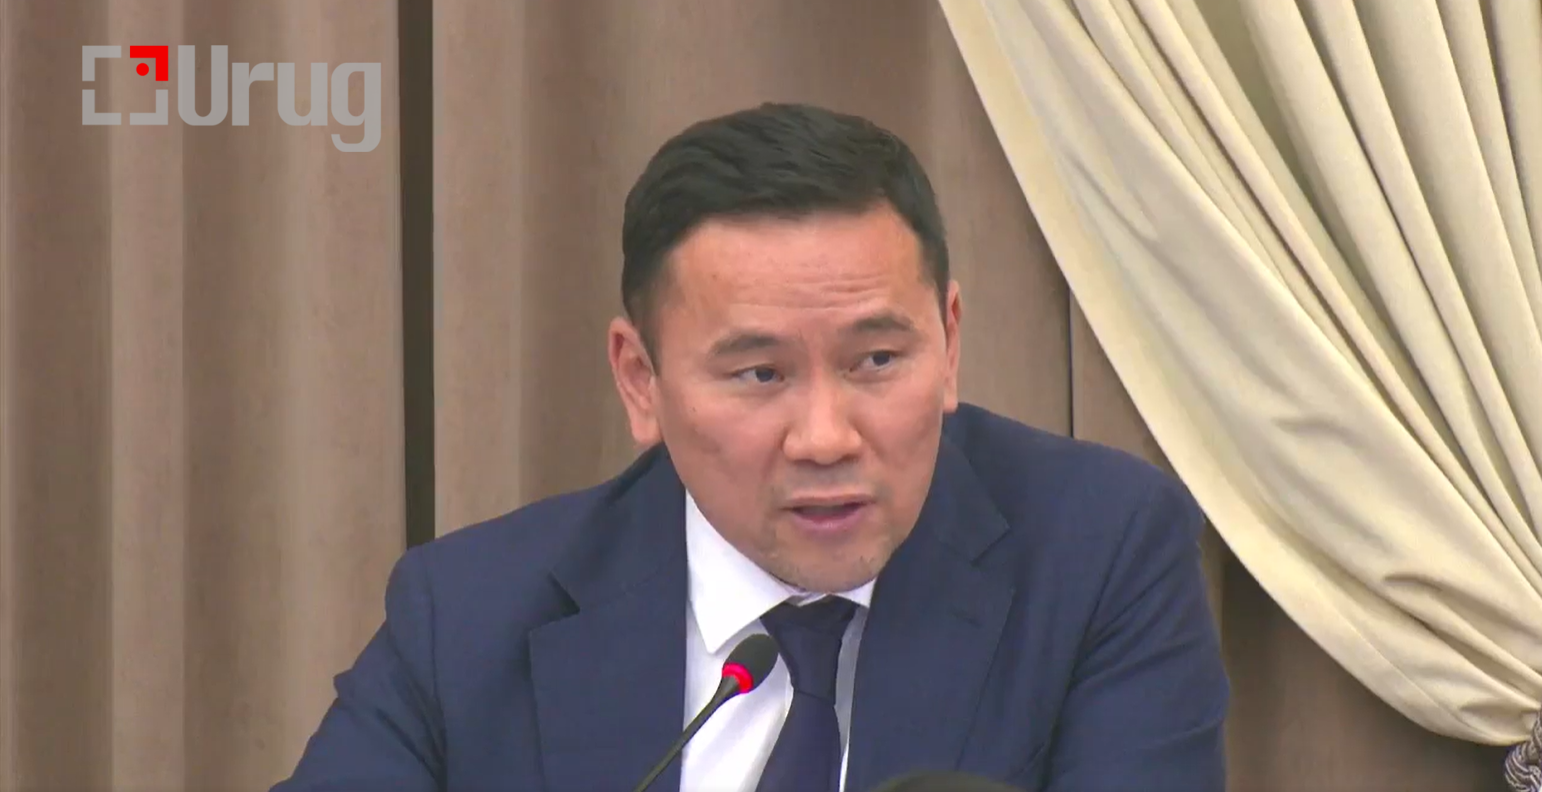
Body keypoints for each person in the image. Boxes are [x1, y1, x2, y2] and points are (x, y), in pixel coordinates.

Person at [272, 102, 1229, 792]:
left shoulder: (1098, 553)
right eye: (760, 374)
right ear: (640, 381)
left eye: (877, 360)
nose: (826, 438)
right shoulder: (469, 617)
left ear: (949, 343)